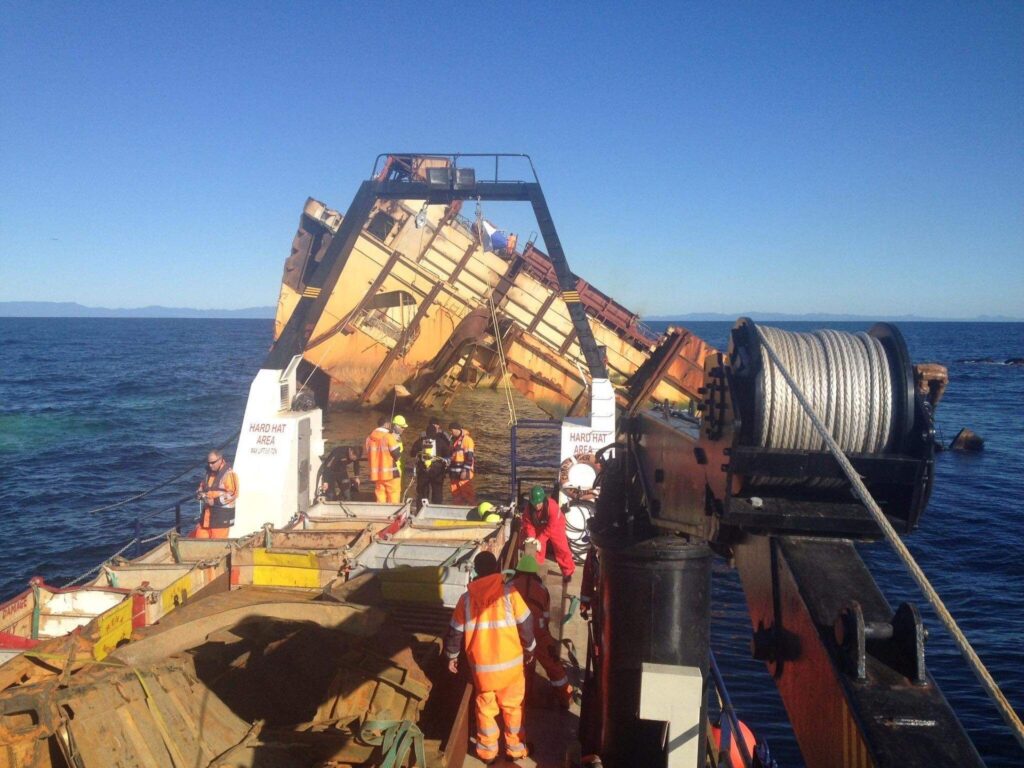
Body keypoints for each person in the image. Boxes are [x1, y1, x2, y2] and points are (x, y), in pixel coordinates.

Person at [446, 551, 535, 764]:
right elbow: (527, 625)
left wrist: (452, 656)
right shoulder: (509, 593)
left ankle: (487, 752)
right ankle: (515, 749)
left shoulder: (466, 600)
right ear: (497, 568)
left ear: (475, 571)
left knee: (485, 710)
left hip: (483, 671)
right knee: (513, 709)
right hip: (511, 668)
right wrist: (530, 649)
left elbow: (455, 631)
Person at [510, 554, 574, 708]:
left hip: (515, 632)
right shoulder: (542, 588)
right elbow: (546, 616)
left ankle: (523, 698)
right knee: (552, 664)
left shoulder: (510, 586)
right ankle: (566, 696)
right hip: (538, 632)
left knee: (518, 667)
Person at [521, 485, 575, 580]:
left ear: (543, 500)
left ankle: (568, 571)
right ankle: (536, 569)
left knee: (561, 547)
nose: (537, 506)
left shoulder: (552, 507)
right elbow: (528, 525)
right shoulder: (528, 510)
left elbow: (551, 527)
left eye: (539, 503)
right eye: (535, 503)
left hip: (555, 525)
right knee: (535, 546)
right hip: (539, 525)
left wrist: (540, 540)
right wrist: (532, 538)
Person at [193, 450, 238, 539]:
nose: (210, 465)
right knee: (199, 539)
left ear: (220, 459)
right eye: (209, 463)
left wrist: (214, 501)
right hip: (206, 517)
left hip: (220, 519)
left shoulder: (229, 474)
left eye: (213, 463)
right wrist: (199, 493)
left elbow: (233, 493)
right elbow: (202, 487)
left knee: (217, 546)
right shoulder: (208, 474)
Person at [409, 418, 451, 505]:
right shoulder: (441, 442)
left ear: (426, 432)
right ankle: (436, 510)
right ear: (436, 432)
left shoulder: (420, 441)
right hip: (438, 471)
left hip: (423, 470)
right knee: (437, 492)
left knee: (422, 492)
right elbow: (448, 454)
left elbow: (412, 453)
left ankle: (420, 509)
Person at [365, 416, 402, 503]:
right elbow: (397, 456)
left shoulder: (369, 438)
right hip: (391, 474)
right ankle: (393, 515)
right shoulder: (389, 437)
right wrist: (396, 441)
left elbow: (369, 453)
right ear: (386, 424)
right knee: (393, 496)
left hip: (377, 475)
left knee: (380, 497)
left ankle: (381, 515)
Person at [448, 421, 477, 504]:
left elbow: (469, 457)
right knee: (455, 493)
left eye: (451, 430)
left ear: (456, 429)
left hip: (464, 472)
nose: (450, 432)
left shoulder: (467, 440)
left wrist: (465, 470)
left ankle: (472, 509)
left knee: (467, 492)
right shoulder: (452, 440)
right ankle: (457, 511)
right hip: (454, 472)